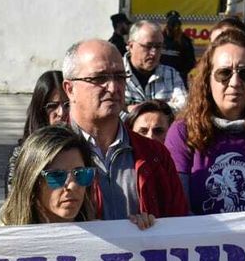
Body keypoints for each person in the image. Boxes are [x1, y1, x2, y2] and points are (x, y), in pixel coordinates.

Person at [165, 30, 245, 214]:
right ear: (207, 79)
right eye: (224, 73)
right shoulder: (183, 133)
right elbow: (178, 210)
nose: (235, 82)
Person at [61, 39, 187, 220]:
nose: (113, 88)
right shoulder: (48, 155)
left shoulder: (155, 154)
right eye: (99, 78)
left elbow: (178, 226)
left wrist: (151, 230)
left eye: (120, 77)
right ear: (70, 89)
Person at [0, 125, 154, 233]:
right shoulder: (1, 239)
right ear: (32, 183)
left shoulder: (104, 237)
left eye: (81, 174)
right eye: (57, 176)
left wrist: (142, 233)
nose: (72, 185)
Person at [5, 71, 69, 195]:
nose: (61, 113)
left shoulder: (86, 147)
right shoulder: (22, 156)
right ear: (40, 110)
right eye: (52, 106)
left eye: (67, 105)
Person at [122, 21, 187, 113]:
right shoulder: (114, 73)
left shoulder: (171, 74)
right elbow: (111, 111)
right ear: (131, 46)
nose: (154, 53)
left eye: (158, 46)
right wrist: (165, 108)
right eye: (148, 46)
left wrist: (133, 109)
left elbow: (183, 109)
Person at [161, 10, 197, 78]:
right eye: (171, 24)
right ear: (166, 24)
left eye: (175, 24)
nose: (173, 27)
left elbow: (191, 61)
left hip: (178, 77)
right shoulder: (159, 38)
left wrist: (181, 73)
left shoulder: (185, 41)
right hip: (160, 75)